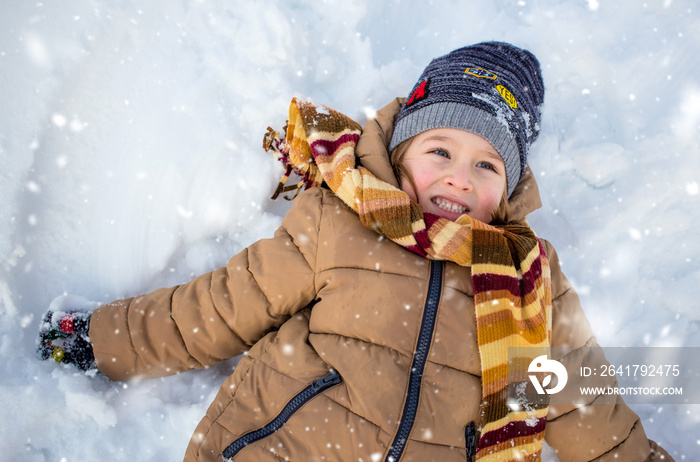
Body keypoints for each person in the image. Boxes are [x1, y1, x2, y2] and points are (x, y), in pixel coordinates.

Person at [37, 42, 673, 461]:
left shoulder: (526, 283)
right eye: (440, 152)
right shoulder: (340, 222)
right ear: (401, 155)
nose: (459, 177)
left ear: (507, 192)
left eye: (486, 166)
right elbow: (223, 307)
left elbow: (578, 401)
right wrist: (103, 339)